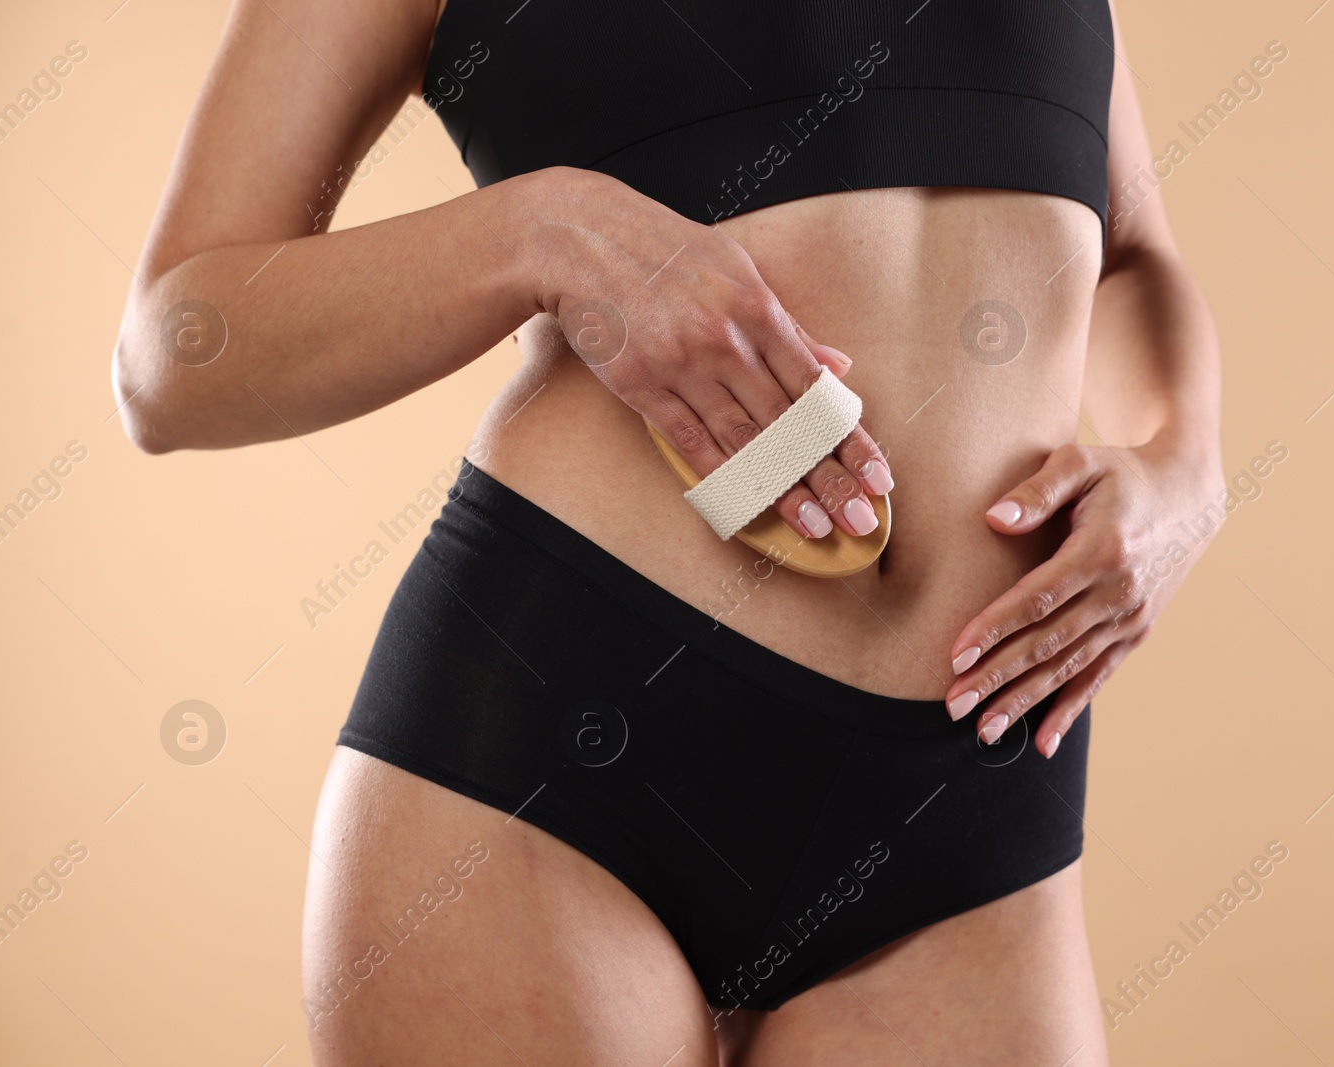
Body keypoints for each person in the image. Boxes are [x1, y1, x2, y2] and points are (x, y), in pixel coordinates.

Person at [112, 0, 1223, 1062]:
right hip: (557, 752)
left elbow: (1130, 249)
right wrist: (541, 231)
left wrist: (1184, 461)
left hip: (972, 779)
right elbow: (172, 354)